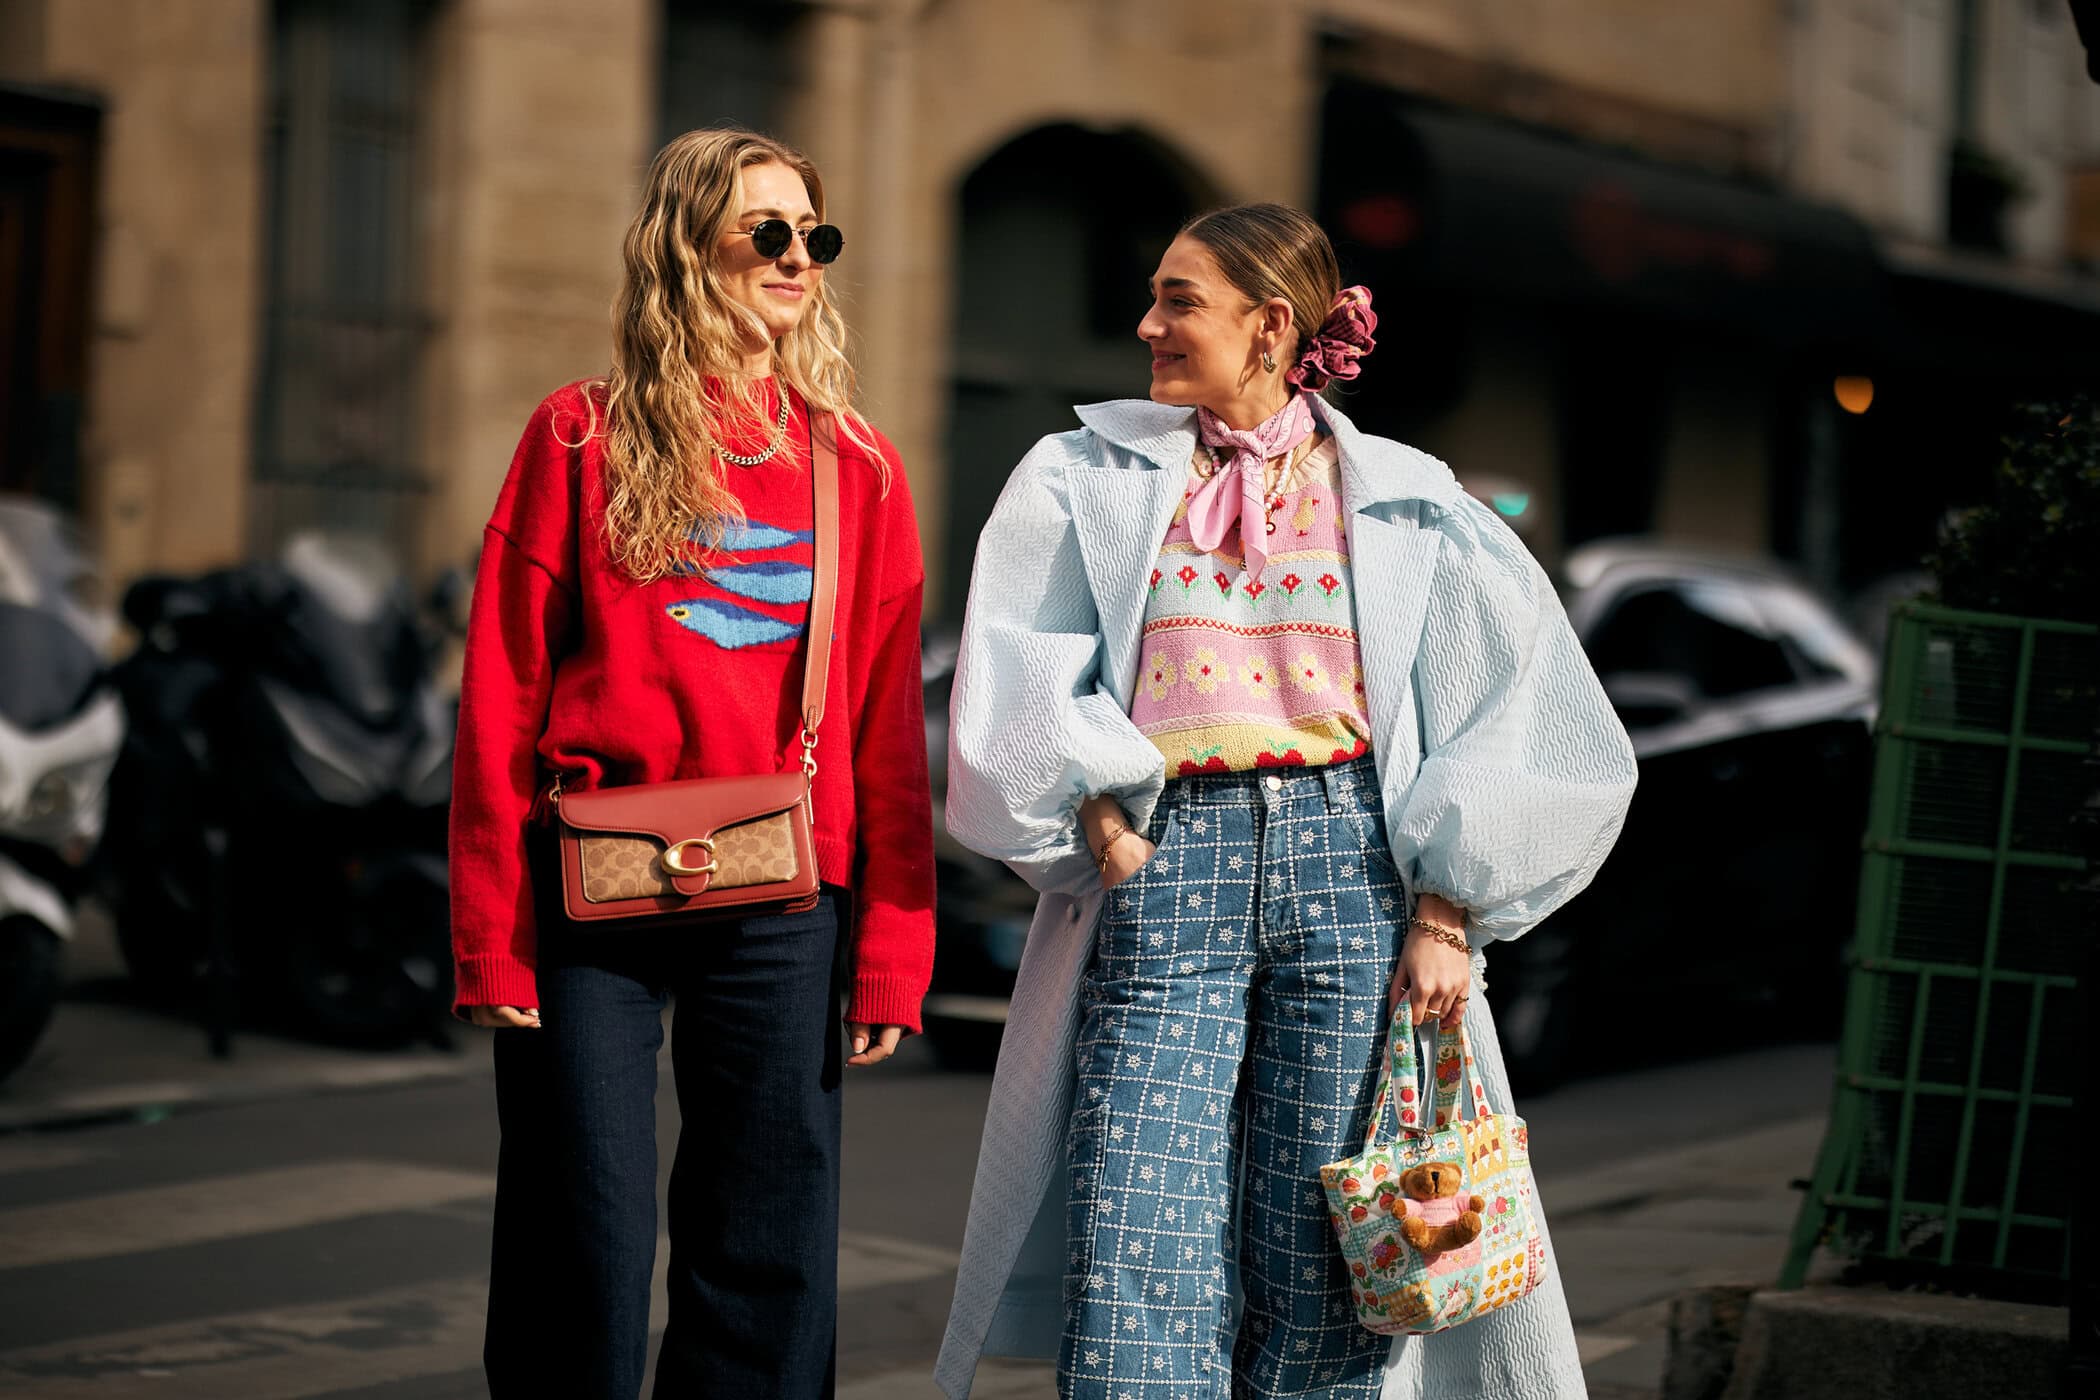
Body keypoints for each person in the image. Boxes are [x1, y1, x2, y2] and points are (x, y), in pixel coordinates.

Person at [935, 203, 1635, 1399]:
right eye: (1155, 297)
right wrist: (1102, 824)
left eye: (1179, 299)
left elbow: (1516, 701)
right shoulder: (1085, 474)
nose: (1148, 322)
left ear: (1270, 324)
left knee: (1327, 1241)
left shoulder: (1409, 496)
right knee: (1132, 1220)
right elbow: (1018, 662)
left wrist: (1446, 912)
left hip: (1351, 864)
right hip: (1169, 863)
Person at [449, 127, 935, 1400]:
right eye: (764, 230)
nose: (796, 257)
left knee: (769, 1236)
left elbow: (887, 723)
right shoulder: (576, 435)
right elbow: (499, 694)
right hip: (587, 887)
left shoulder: (860, 466)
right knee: (581, 1224)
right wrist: (490, 932)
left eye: (812, 237)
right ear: (685, 244)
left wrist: (891, 940)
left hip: (787, 891)